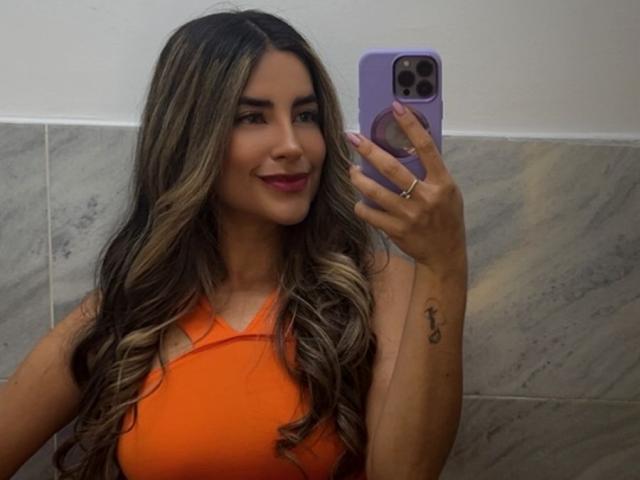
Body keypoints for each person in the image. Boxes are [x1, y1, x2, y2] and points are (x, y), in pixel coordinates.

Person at [0, 7, 468, 480]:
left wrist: (443, 262)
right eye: (252, 117)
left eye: (305, 115)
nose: (292, 144)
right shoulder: (125, 314)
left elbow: (405, 472)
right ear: (191, 137)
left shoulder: (382, 289)